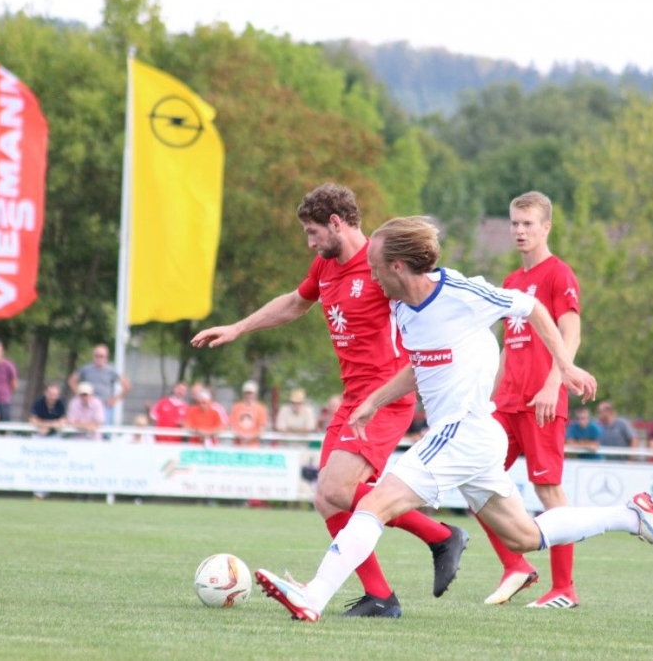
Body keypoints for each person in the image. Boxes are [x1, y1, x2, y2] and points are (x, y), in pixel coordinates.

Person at [255, 216, 653, 622]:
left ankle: (313, 596)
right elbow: (419, 365)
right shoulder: (403, 309)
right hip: (476, 438)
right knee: (523, 536)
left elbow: (532, 307)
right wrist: (374, 401)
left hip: (462, 430)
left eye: (375, 266)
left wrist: (565, 367)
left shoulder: (459, 291)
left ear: (397, 266)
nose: (371, 275)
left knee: (373, 504)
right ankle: (630, 516)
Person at [192, 184, 468, 617]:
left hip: (384, 399)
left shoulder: (381, 266)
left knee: (337, 489)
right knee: (326, 497)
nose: (310, 242)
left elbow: (429, 307)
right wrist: (238, 328)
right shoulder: (325, 265)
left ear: (336, 223)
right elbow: (294, 303)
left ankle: (441, 536)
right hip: (352, 399)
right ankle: (381, 596)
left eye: (313, 232)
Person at [478, 191, 584, 608]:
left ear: (546, 227)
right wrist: (489, 397)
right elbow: (510, 344)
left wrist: (553, 383)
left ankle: (564, 589)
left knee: (549, 492)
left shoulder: (559, 274)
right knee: (473, 477)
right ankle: (515, 566)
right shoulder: (510, 281)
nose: (519, 231)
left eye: (528, 224)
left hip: (542, 402)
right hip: (506, 403)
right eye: (515, 223)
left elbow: (570, 335)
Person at [68, 344, 131, 426]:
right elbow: (72, 381)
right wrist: (79, 394)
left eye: (101, 356)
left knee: (105, 431)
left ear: (106, 358)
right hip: (88, 407)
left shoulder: (111, 370)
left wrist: (115, 399)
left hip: (105, 407)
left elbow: (127, 385)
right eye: (96, 356)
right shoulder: (86, 369)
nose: (99, 358)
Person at [229, 380, 269, 447]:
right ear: (243, 394)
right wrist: (241, 436)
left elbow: (262, 429)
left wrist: (250, 437)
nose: (248, 395)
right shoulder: (236, 407)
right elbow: (232, 426)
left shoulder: (261, 409)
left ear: (255, 394)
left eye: (250, 393)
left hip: (253, 446)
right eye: (246, 393)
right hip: (237, 445)